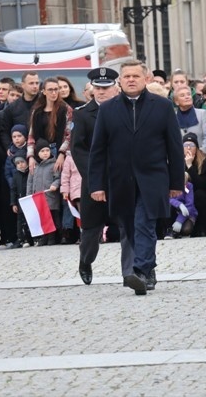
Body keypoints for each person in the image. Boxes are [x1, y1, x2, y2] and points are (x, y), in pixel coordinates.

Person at [88, 60, 185, 295]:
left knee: (144, 223)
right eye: (126, 76)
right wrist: (96, 184)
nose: (131, 80)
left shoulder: (162, 106)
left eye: (135, 76)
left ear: (146, 79)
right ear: (120, 80)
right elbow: (98, 149)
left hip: (153, 178)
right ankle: (149, 270)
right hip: (121, 180)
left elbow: (174, 147)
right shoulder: (108, 109)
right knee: (130, 227)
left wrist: (176, 182)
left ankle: (140, 271)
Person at [71, 67, 121, 285]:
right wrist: (93, 176)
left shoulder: (125, 110)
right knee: (91, 230)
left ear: (115, 88)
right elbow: (77, 148)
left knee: (129, 226)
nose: (101, 92)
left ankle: (138, 267)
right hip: (94, 180)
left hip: (120, 178)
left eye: (106, 88)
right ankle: (86, 260)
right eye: (97, 88)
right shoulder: (82, 114)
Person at [182, 132, 206, 237]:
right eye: (186, 145)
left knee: (199, 194)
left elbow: (202, 184)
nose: (188, 148)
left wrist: (190, 166)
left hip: (205, 198)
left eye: (192, 145)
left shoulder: (204, 161)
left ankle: (203, 227)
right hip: (185, 198)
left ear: (197, 148)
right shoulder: (178, 161)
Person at [26, 139, 61, 246]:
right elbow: (30, 182)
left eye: (47, 150)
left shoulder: (54, 164)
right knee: (42, 219)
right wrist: (29, 195)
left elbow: (58, 178)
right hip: (38, 198)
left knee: (51, 218)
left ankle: (52, 238)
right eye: (42, 151)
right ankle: (44, 237)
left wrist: (55, 185)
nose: (45, 153)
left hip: (50, 196)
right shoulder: (35, 166)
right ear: (37, 153)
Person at [174, 85, 206, 152]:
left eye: (188, 94)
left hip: (200, 157)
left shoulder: (202, 114)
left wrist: (201, 154)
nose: (187, 97)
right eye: (182, 95)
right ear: (176, 101)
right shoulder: (173, 117)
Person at [164, 172, 197, 239]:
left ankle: (178, 232)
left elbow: (189, 204)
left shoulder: (189, 186)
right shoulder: (168, 186)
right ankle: (170, 230)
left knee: (186, 230)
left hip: (187, 214)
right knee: (167, 206)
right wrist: (179, 204)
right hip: (173, 211)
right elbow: (167, 199)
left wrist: (179, 220)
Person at [9, 151, 32, 248]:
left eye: (22, 162)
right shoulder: (16, 175)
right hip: (20, 201)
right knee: (20, 221)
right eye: (17, 163)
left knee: (29, 220)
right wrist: (13, 203)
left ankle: (30, 238)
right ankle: (20, 238)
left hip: (29, 200)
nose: (20, 165)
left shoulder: (30, 173)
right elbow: (13, 190)